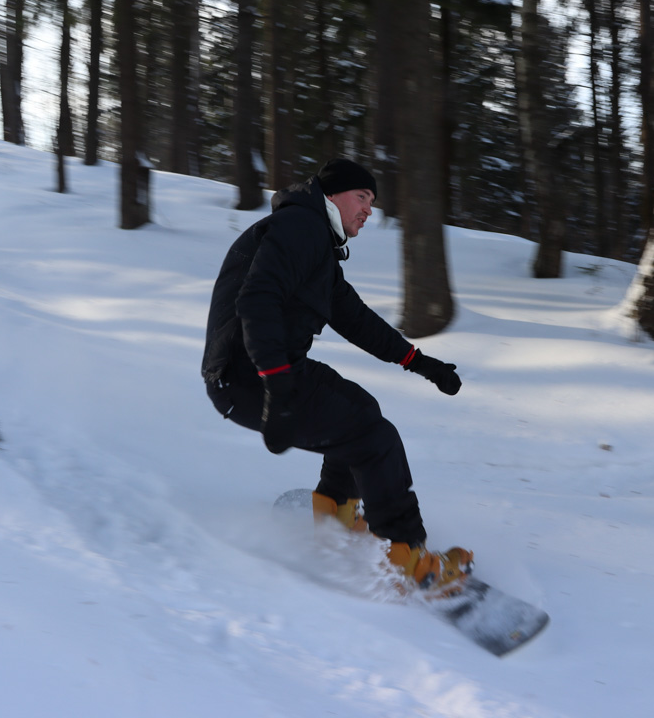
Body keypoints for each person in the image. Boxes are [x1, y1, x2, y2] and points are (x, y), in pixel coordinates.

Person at [201, 158, 472, 592]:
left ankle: (336, 510)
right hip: (250, 376)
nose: (369, 210)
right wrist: (277, 383)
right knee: (375, 439)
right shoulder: (300, 228)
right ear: (332, 195)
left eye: (373, 203)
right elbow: (257, 301)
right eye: (362, 197)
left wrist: (420, 362)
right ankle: (410, 558)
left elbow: (357, 319)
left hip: (262, 371)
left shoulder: (315, 246)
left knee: (361, 410)